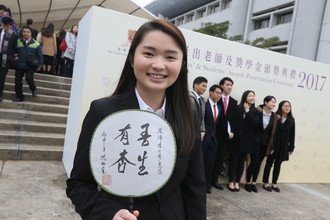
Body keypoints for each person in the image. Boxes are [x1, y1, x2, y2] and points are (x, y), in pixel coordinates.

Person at [66, 19, 206, 220]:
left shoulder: (188, 115)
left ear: (182, 64)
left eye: (170, 57)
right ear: (132, 58)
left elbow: (195, 188)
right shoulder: (103, 112)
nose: (158, 65)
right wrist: (109, 213)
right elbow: (79, 185)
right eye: (148, 53)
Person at [228, 90, 259, 192]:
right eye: (250, 96)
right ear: (245, 97)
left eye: (253, 96)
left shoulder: (256, 111)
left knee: (241, 162)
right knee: (233, 160)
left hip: (247, 140)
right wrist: (231, 131)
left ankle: (237, 181)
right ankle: (231, 181)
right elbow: (231, 121)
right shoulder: (237, 108)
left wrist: (247, 111)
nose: (252, 98)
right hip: (236, 138)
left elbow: (255, 123)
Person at [245, 95, 278, 193]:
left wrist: (272, 146)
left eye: (274, 102)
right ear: (266, 102)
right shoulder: (257, 112)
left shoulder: (274, 116)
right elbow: (252, 123)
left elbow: (274, 133)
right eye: (272, 102)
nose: (274, 104)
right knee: (254, 162)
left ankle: (253, 183)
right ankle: (247, 182)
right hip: (255, 141)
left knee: (259, 163)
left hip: (265, 144)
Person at [262, 100, 295, 192]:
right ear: (280, 107)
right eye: (285, 106)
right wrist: (271, 146)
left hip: (284, 146)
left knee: (278, 165)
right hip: (274, 144)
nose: (287, 108)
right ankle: (265, 182)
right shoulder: (275, 117)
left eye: (288, 106)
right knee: (269, 163)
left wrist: (291, 147)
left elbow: (292, 134)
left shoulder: (291, 119)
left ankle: (274, 183)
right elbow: (271, 132)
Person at [211, 77, 237, 190]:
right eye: (227, 84)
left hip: (226, 136)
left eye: (231, 85)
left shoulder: (234, 102)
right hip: (214, 134)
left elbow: (233, 120)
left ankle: (214, 180)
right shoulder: (215, 98)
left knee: (220, 159)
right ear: (221, 85)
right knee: (210, 158)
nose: (229, 87)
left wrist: (232, 132)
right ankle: (205, 180)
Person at [13, 25, 43, 102]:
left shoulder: (36, 43)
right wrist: (15, 59)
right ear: (22, 32)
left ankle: (33, 89)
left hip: (31, 65)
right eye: (24, 32)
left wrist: (40, 65)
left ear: (31, 33)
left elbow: (40, 55)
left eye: (27, 32)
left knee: (29, 78)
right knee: (17, 81)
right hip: (20, 65)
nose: (25, 33)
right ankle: (19, 96)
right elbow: (14, 51)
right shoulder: (18, 41)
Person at [202, 84, 222, 194]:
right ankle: (198, 184)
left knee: (209, 163)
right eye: (217, 93)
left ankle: (206, 184)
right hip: (204, 138)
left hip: (213, 140)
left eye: (220, 93)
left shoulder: (219, 107)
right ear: (211, 93)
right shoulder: (204, 105)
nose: (219, 95)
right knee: (200, 162)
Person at [0, 16, 17, 102]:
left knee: (2, 76)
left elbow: (14, 48)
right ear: (2, 24)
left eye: (8, 26)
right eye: (4, 26)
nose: (6, 28)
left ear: (11, 26)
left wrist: (10, 57)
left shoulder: (14, 35)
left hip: (5, 58)